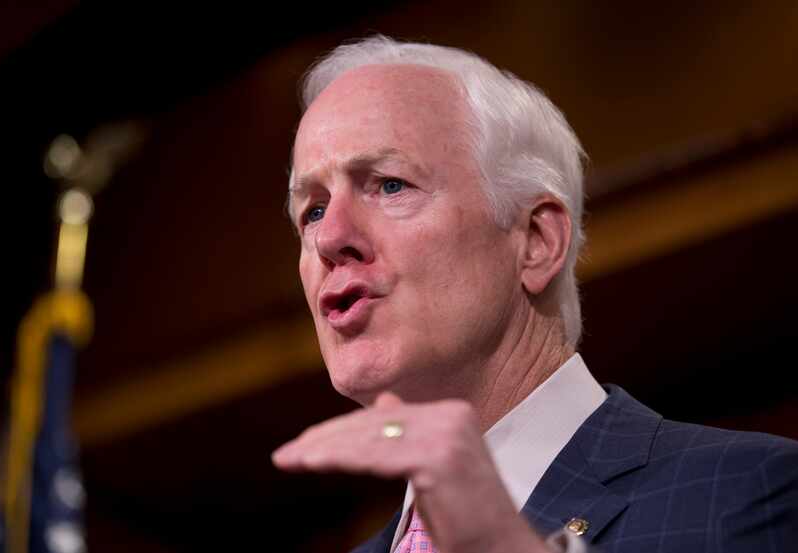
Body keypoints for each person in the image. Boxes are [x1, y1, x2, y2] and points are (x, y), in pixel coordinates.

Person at [271, 35, 798, 553]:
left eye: (389, 185)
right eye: (312, 210)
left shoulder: (746, 496)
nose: (328, 237)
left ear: (537, 243)